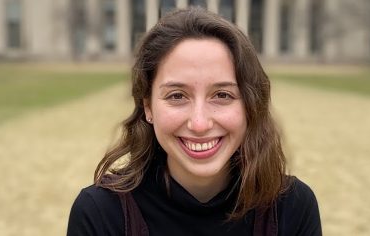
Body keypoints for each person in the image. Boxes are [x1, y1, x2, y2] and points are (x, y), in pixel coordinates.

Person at [67, 7, 321, 236]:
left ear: (249, 106)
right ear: (148, 107)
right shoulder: (100, 213)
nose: (199, 124)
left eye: (222, 95)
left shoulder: (292, 207)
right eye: (177, 96)